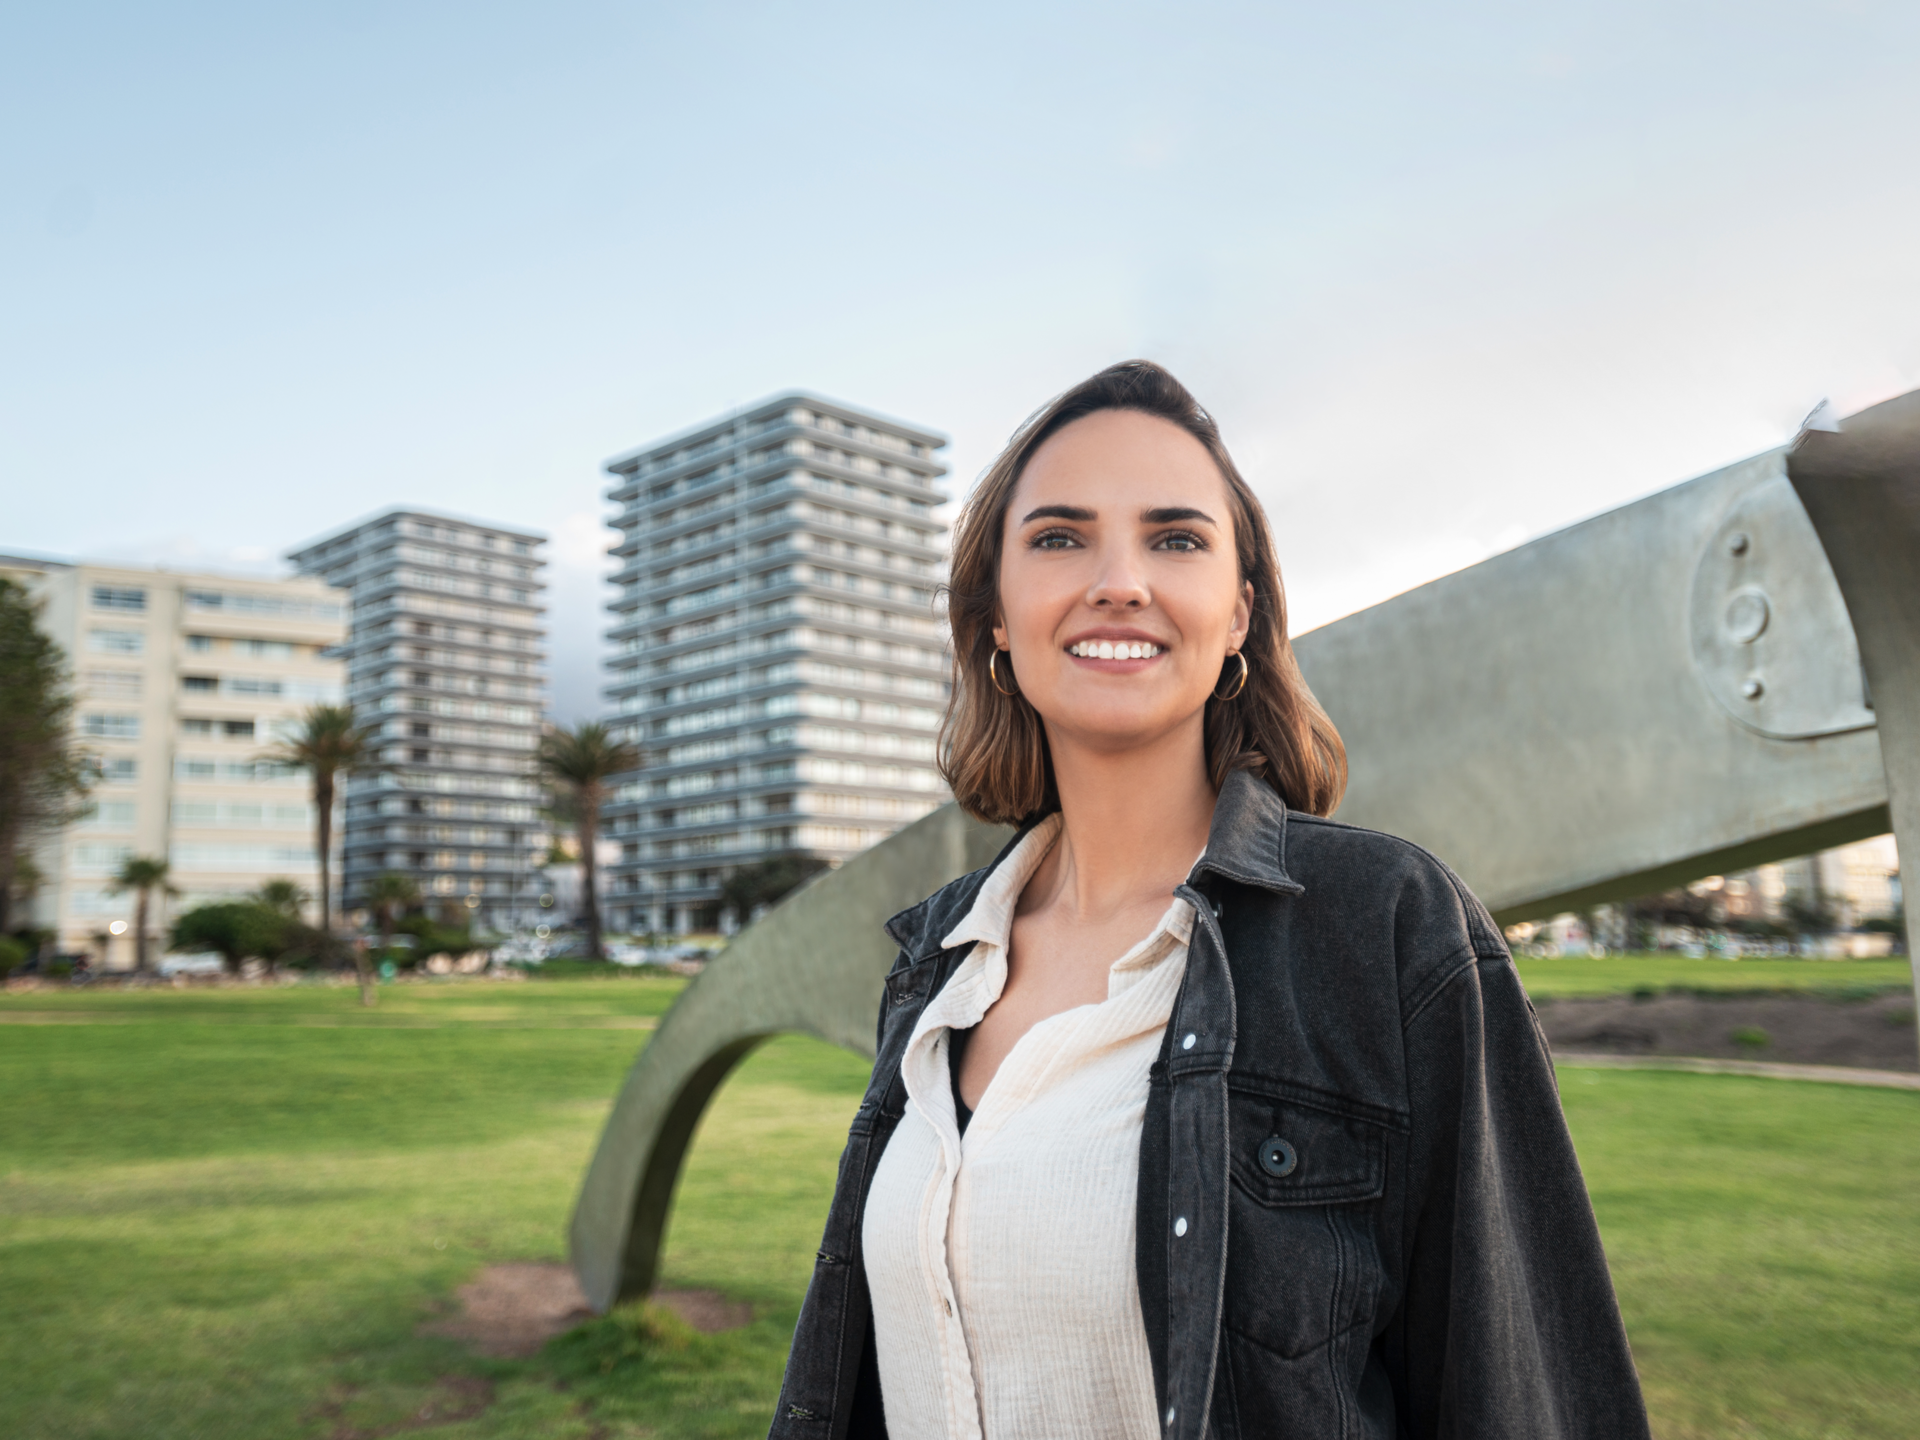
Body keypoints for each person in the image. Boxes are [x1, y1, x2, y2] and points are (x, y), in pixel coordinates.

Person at [770, 361, 1650, 1440]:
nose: (1119, 581)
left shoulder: (1388, 928)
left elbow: (1526, 1396)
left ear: (1238, 612)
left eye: (1176, 539)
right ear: (995, 615)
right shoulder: (938, 962)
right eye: (1059, 537)